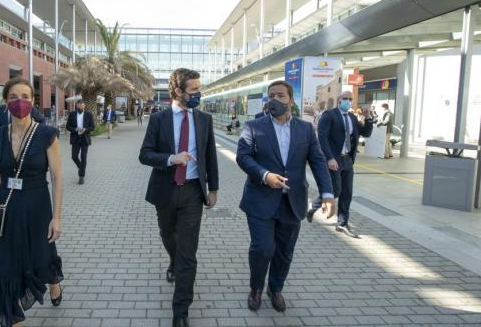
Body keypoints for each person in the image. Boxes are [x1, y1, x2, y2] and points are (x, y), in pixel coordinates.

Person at [236, 80, 334, 313]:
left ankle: (276, 288)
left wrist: (327, 194)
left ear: (290, 100)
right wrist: (264, 175)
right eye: (271, 96)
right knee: (262, 248)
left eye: (280, 95)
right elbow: (243, 156)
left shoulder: (305, 129)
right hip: (260, 199)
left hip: (292, 201)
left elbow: (318, 161)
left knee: (285, 250)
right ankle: (256, 288)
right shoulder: (253, 126)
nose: (275, 100)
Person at [0, 77, 64, 327]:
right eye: (14, 97)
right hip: (5, 207)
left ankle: (53, 282)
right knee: (4, 267)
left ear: (33, 101)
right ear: (6, 103)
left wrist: (56, 217)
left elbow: (57, 177)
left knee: (41, 254)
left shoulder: (46, 134)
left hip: (38, 205)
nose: (20, 102)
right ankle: (11, 316)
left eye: (25, 97)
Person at [139, 68, 219, 327]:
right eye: (194, 90)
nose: (199, 94)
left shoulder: (204, 119)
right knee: (167, 234)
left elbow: (210, 157)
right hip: (165, 189)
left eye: (199, 88)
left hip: (193, 192)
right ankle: (172, 259)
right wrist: (171, 159)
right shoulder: (159, 119)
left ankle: (181, 310)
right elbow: (145, 154)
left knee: (188, 252)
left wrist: (213, 189)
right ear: (178, 92)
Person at [308, 90, 373, 238]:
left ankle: (342, 223)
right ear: (339, 100)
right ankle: (314, 206)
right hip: (334, 159)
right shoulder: (329, 115)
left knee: (347, 193)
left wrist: (368, 118)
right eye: (346, 99)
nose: (349, 101)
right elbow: (322, 137)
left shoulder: (352, 117)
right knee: (336, 190)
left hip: (347, 160)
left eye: (351, 99)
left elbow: (366, 133)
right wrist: (329, 158)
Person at [66, 100, 94, 185]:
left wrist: (86, 129)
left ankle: (81, 177)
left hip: (85, 138)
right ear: (77, 106)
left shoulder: (89, 115)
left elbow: (92, 127)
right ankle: (81, 167)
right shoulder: (72, 114)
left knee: (83, 157)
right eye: (79, 105)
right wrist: (75, 129)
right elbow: (68, 126)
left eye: (82, 105)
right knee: (74, 156)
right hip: (75, 138)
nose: (81, 107)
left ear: (84, 106)